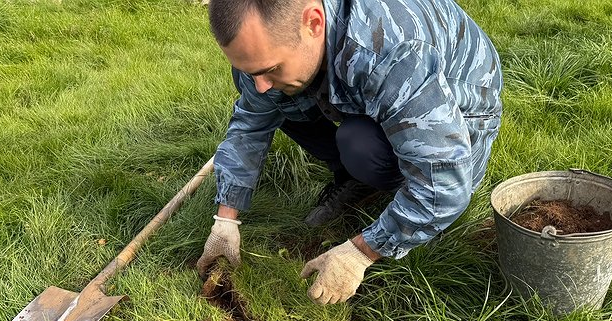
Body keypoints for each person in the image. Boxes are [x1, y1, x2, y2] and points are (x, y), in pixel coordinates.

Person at [197, 0, 502, 304]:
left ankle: (383, 179)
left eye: (271, 68)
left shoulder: (388, 53)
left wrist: (362, 251)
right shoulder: (271, 59)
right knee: (280, 95)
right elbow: (250, 125)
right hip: (370, 78)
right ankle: (352, 179)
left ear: (313, 23)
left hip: (460, 104)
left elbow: (445, 188)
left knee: (360, 144)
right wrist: (226, 218)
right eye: (251, 71)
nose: (259, 85)